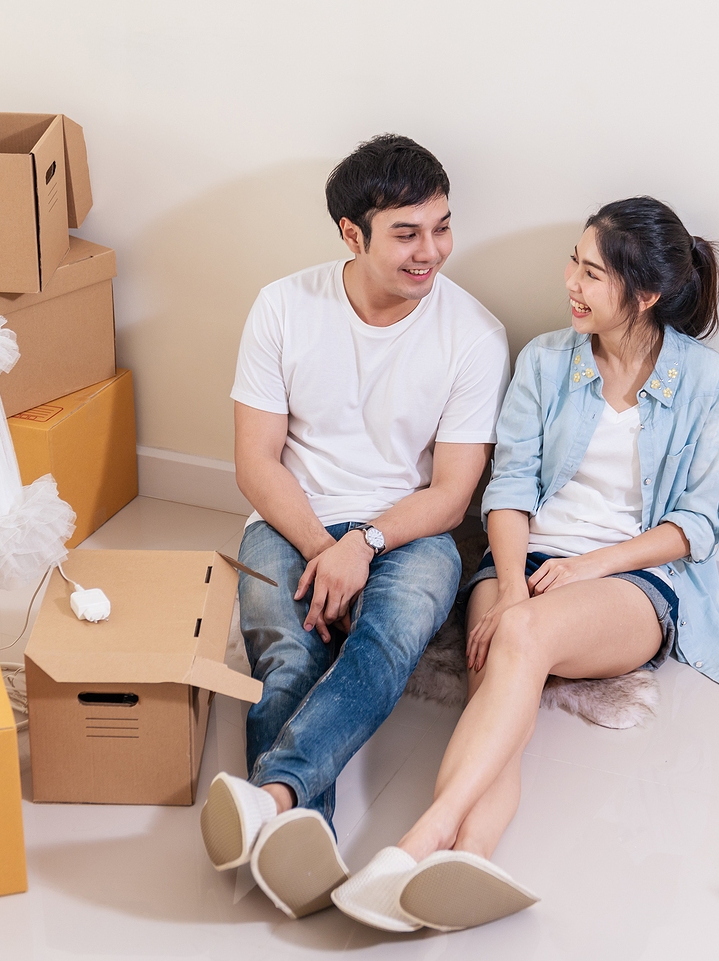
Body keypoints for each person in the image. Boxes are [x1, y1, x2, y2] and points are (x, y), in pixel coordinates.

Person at [332, 196, 719, 934]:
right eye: (574, 261)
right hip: (521, 559)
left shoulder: (703, 379)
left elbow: (698, 524)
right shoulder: (544, 360)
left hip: (627, 581)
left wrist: (589, 567)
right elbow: (509, 489)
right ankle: (466, 860)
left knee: (518, 641)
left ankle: (417, 840)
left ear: (644, 294)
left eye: (591, 273)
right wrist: (501, 588)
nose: (570, 283)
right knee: (501, 671)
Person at [199, 134, 510, 919]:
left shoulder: (471, 333)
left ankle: (272, 795)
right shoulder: (282, 305)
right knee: (288, 653)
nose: (430, 251)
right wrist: (320, 549)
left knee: (383, 644)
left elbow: (450, 492)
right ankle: (301, 836)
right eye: (406, 233)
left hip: (410, 531)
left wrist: (363, 544)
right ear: (350, 234)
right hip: (291, 516)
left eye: (440, 226)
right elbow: (256, 462)